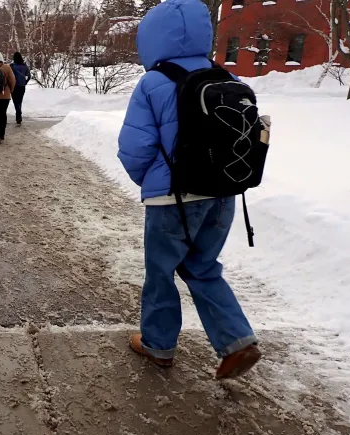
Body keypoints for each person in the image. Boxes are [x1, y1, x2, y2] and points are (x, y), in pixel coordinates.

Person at [117, 0, 262, 380]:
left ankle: (158, 346)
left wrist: (150, 184)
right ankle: (238, 341)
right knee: (203, 268)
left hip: (173, 200)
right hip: (223, 193)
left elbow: (135, 148)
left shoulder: (153, 82)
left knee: (161, 273)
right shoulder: (226, 78)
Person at [10, 52, 31, 125]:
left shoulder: (12, 66)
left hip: (14, 86)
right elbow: (29, 76)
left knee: (15, 101)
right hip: (22, 86)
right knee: (20, 100)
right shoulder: (25, 66)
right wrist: (25, 82)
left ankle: (18, 113)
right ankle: (19, 114)